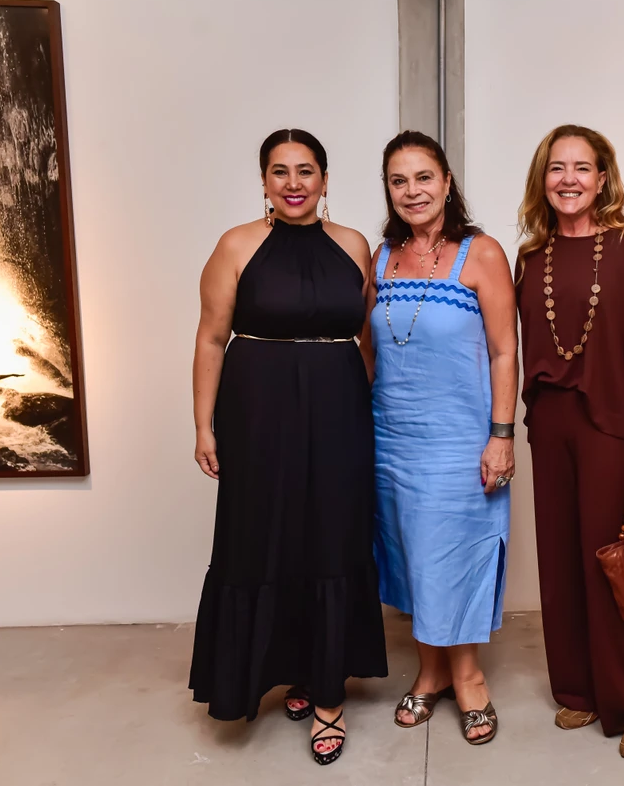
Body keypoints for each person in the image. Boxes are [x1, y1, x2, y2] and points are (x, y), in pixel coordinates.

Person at [188, 129, 387, 766]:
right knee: (263, 535)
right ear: (265, 181)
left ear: (326, 181)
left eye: (307, 171)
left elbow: (367, 338)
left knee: (331, 535)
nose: (294, 183)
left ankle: (327, 692)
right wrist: (203, 425)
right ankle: (269, 672)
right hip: (258, 412)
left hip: (338, 411)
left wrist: (362, 404)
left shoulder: (354, 245)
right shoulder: (236, 245)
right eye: (281, 171)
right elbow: (211, 339)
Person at [515, 125, 624, 761]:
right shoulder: (531, 255)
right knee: (559, 561)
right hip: (548, 425)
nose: (569, 179)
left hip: (610, 425)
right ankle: (578, 688)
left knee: (616, 565)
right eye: (557, 168)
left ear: (603, 179)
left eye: (583, 168)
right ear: (542, 179)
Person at [360, 130, 516, 745]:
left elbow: (506, 353)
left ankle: (469, 676)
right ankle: (430, 672)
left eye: (423, 177)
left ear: (447, 182)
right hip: (390, 437)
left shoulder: (482, 254)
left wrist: (500, 435)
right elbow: (369, 350)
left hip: (459, 439)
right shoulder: (380, 257)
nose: (412, 191)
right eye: (399, 181)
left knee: (454, 553)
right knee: (406, 555)